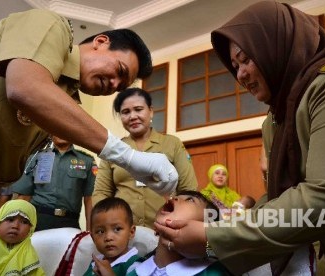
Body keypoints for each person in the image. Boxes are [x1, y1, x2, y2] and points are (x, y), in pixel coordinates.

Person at [155, 1, 325, 275]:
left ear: (276, 44)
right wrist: (217, 236)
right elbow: (279, 199)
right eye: (235, 66)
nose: (241, 75)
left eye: (246, 59)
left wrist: (213, 239)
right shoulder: (277, 119)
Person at [0, 8, 179, 275]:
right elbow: (25, 87)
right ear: (100, 42)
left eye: (121, 85)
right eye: (118, 70)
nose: (113, 84)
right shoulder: (51, 24)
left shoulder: (63, 102)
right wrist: (128, 157)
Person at [92, 87, 198, 228]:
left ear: (151, 111)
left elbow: (189, 190)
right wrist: (108, 226)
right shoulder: (113, 149)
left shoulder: (172, 144)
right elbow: (102, 193)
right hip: (123, 234)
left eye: (138, 109)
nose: (133, 116)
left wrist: (181, 224)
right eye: (126, 112)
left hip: (166, 229)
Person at [95, 191, 232, 276]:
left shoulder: (213, 272)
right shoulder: (136, 270)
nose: (174, 198)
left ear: (205, 227)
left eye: (190, 200)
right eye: (176, 196)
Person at [12, 135, 96, 231]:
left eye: (65, 130)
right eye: (57, 129)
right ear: (50, 134)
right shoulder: (36, 157)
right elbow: (23, 197)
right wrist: (17, 227)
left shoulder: (87, 161)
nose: (61, 133)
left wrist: (90, 233)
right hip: (37, 220)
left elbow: (90, 200)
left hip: (69, 223)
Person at [0, 199, 44, 276]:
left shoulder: (29, 260)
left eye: (24, 222)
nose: (15, 226)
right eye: (10, 220)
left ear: (31, 229)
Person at [84, 197, 139, 276]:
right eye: (100, 231)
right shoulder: (95, 263)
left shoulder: (136, 265)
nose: (108, 238)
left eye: (117, 229)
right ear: (93, 238)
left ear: (131, 232)